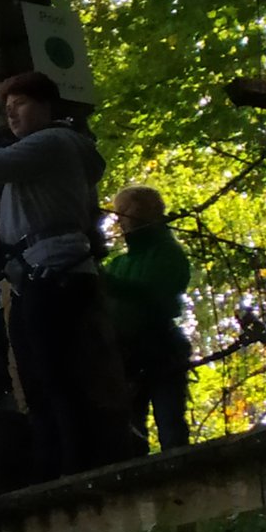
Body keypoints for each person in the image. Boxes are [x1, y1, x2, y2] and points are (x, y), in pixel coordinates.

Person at [0, 71, 139, 481]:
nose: (11, 114)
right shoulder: (40, 159)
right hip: (40, 277)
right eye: (7, 108)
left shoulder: (53, 142)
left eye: (19, 104)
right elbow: (26, 216)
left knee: (54, 376)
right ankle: (54, 465)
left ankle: (73, 467)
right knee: (36, 379)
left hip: (55, 276)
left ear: (45, 106)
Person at [104, 184, 192, 452]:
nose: (120, 219)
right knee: (130, 428)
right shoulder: (119, 263)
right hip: (126, 356)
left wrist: (106, 283)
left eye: (125, 210)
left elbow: (153, 293)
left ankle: (180, 468)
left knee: (170, 422)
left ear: (148, 211)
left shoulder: (168, 252)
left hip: (161, 348)